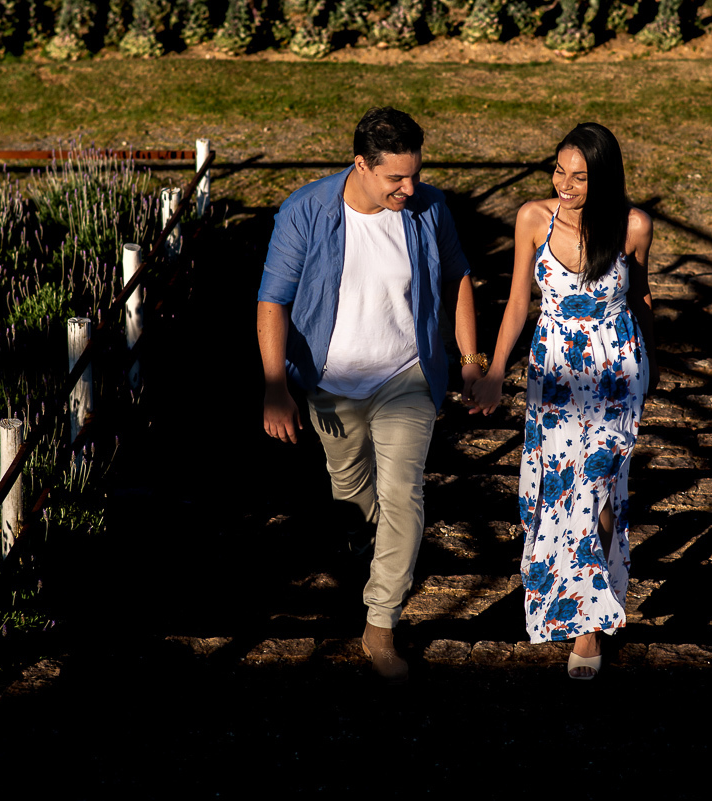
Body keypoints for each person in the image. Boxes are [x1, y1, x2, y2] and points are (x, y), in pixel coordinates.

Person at [257, 107, 486, 682]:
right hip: (331, 385)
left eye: (415, 174)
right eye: (395, 178)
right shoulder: (305, 211)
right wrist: (275, 386)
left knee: (403, 494)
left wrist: (470, 360)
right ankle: (375, 558)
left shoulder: (429, 209)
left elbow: (457, 275)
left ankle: (380, 623)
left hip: (405, 376)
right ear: (360, 164)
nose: (409, 188)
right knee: (353, 499)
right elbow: (272, 301)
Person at [472, 123, 656, 679]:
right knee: (557, 492)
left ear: (605, 178)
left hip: (617, 372)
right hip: (554, 372)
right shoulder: (534, 218)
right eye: (559, 171)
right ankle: (579, 602)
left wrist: (651, 365)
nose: (566, 185)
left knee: (595, 491)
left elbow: (641, 296)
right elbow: (517, 303)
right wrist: (495, 371)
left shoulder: (633, 225)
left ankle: (588, 628)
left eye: (580, 176)